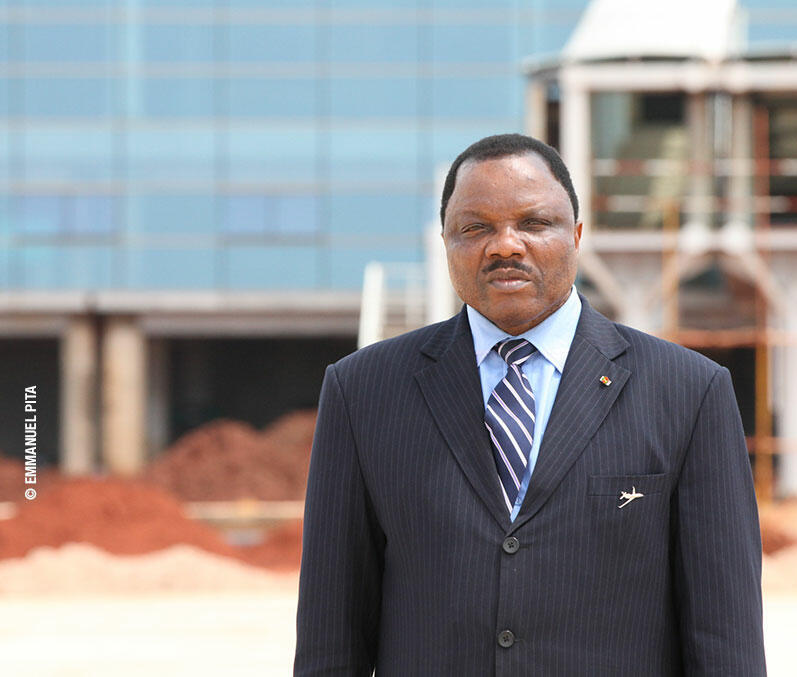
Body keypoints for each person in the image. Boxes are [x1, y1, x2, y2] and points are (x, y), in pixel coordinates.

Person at [295, 133, 766, 675]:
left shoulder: (689, 392)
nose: (505, 246)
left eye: (534, 223)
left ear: (577, 236)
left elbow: (726, 641)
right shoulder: (362, 392)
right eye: (475, 228)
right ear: (445, 242)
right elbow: (331, 638)